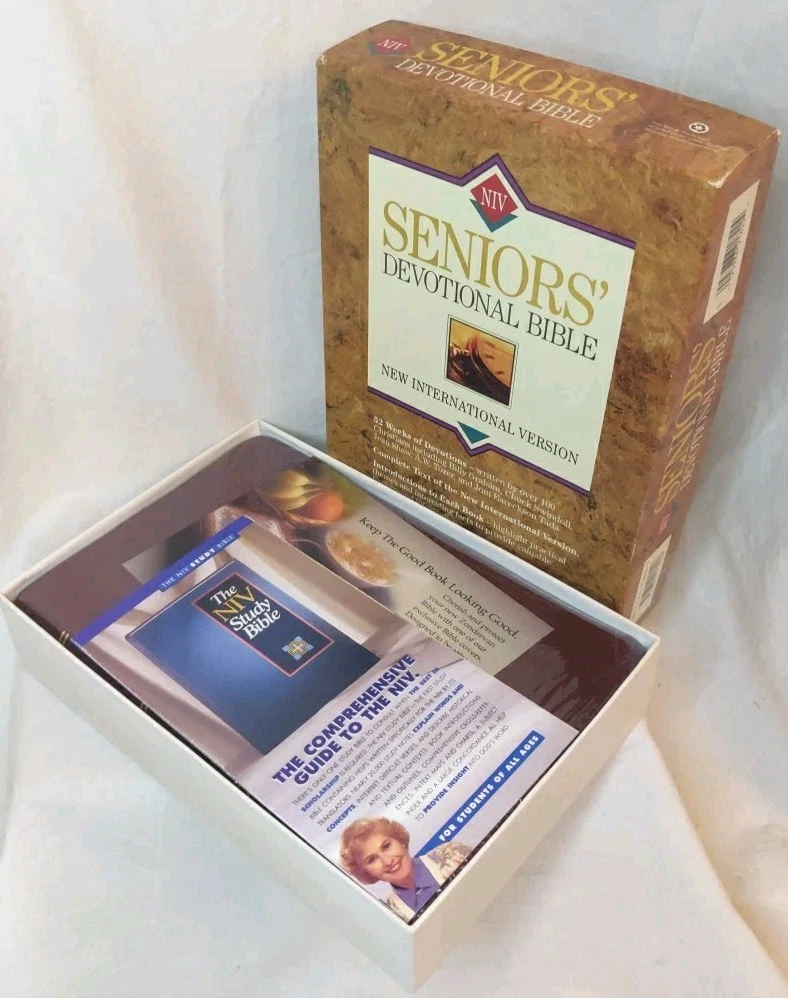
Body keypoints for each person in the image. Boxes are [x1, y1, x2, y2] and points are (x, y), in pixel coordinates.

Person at [339, 817, 470, 921]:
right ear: (366, 872)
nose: (387, 861)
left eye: (386, 846)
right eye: (372, 860)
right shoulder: (392, 913)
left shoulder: (450, 855)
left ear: (400, 840)